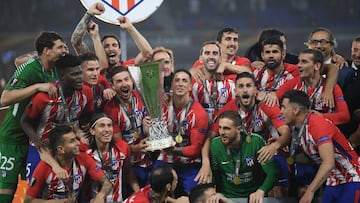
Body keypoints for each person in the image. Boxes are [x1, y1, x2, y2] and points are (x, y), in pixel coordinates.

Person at [0, 31, 67, 202]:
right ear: (47, 50)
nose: (63, 50)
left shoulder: (55, 70)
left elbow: (19, 60)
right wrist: (37, 86)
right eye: (60, 47)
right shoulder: (30, 69)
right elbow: (5, 98)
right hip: (13, 138)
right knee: (7, 191)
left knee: (34, 191)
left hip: (34, 139)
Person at [21, 53, 94, 183]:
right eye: (74, 74)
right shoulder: (44, 97)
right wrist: (37, 141)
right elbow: (25, 121)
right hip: (43, 147)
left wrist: (81, 130)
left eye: (80, 73)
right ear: (62, 77)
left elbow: (87, 116)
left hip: (69, 146)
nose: (80, 78)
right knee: (36, 186)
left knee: (85, 179)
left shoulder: (86, 93)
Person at [280, 90, 360, 203]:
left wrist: (310, 191)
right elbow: (313, 159)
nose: (281, 112)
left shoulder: (317, 124)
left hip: (352, 178)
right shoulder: (297, 129)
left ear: (296, 110)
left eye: (283, 107)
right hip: (332, 181)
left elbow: (328, 163)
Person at [24, 125, 113, 203]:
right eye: (72, 141)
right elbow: (28, 200)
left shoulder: (84, 159)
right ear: (61, 149)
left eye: (76, 139)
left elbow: (107, 183)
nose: (78, 143)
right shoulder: (44, 167)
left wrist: (100, 196)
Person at [154, 69, 208, 195]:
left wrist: (173, 149)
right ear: (172, 85)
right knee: (152, 189)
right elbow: (151, 134)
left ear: (190, 86)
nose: (180, 83)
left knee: (197, 194)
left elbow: (195, 149)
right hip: (165, 160)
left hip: (189, 163)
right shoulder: (161, 107)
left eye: (184, 81)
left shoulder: (198, 113)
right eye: (177, 80)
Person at [210, 110, 278, 201]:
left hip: (253, 197)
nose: (221, 132)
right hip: (226, 198)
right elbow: (214, 174)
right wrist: (216, 193)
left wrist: (262, 190)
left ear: (239, 129)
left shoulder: (255, 142)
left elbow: (272, 171)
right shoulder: (215, 144)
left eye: (226, 128)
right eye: (220, 127)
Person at [103, 67, 151, 189]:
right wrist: (136, 148)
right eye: (119, 81)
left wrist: (149, 129)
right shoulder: (111, 109)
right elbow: (117, 144)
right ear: (112, 86)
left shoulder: (141, 95)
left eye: (126, 79)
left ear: (132, 81)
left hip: (149, 158)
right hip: (128, 165)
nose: (124, 83)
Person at [276, 48, 350, 125]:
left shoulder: (332, 87)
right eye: (299, 61)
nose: (299, 65)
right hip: (297, 132)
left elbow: (345, 116)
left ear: (317, 66)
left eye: (304, 62)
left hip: (323, 130)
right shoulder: (293, 83)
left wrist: (320, 116)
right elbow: (273, 99)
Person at [85, 113, 139, 202]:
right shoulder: (87, 154)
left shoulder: (122, 147)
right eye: (102, 126)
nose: (107, 130)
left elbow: (128, 170)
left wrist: (137, 191)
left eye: (109, 126)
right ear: (92, 131)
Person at [191, 41, 235, 123]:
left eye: (215, 53)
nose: (211, 56)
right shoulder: (191, 85)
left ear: (220, 58)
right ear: (200, 58)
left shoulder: (231, 85)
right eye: (207, 53)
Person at [124, 165, 189, 203]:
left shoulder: (152, 188)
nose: (177, 182)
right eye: (175, 180)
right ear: (168, 186)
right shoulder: (142, 201)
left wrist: (176, 201)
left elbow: (164, 197)